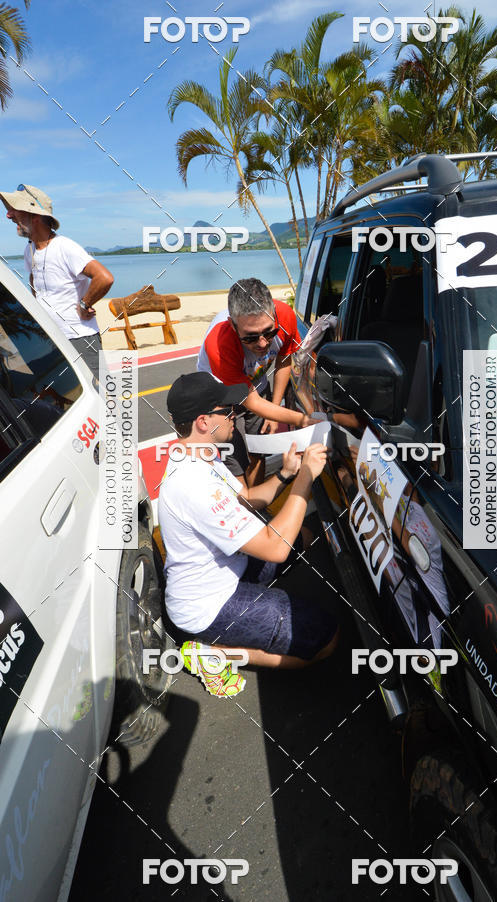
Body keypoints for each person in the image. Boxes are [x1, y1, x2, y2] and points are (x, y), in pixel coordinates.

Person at [158, 372, 339, 697]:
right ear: (203, 421)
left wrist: (286, 475)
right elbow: (275, 549)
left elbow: (246, 499)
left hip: (226, 569)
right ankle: (212, 652)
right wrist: (306, 477)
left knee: (304, 535)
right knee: (324, 640)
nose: (235, 416)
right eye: (228, 411)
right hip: (207, 605)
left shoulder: (201, 455)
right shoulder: (195, 485)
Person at [196, 277, 314, 485]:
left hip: (256, 387)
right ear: (233, 325)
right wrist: (303, 420)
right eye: (250, 337)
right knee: (235, 462)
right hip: (221, 396)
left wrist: (274, 409)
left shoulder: (285, 316)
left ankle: (257, 505)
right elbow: (251, 402)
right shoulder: (219, 345)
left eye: (269, 332)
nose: (262, 343)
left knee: (259, 450)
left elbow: (284, 360)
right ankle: (243, 507)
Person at [0, 184, 114, 382]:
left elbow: (104, 278)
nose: (9, 216)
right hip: (53, 338)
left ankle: (121, 414)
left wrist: (85, 304)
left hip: (80, 336)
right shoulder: (30, 250)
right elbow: (34, 280)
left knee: (106, 391)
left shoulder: (65, 247)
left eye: (15, 210)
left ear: (34, 215)